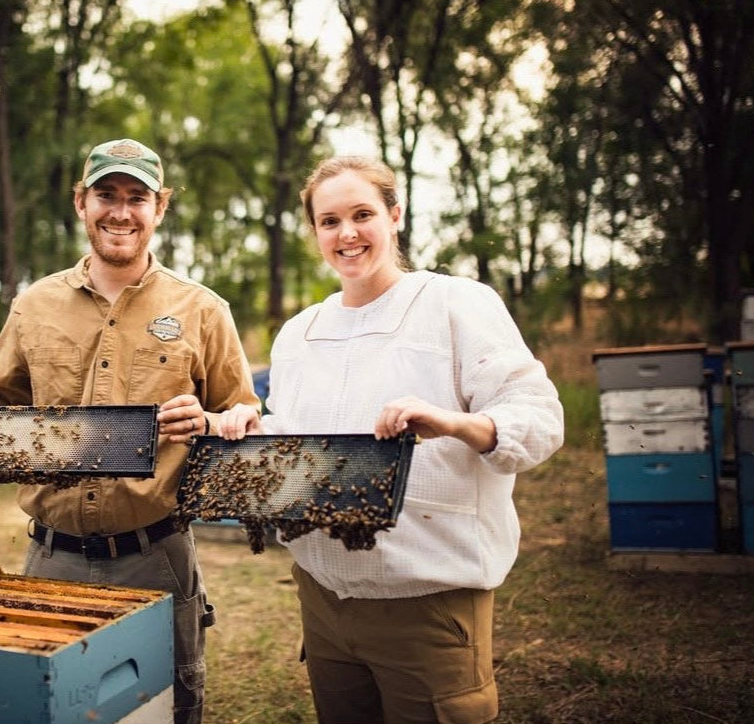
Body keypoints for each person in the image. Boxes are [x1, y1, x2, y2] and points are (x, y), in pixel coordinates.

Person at [0, 137, 260, 724]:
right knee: (52, 710)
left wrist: (213, 421)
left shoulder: (203, 309)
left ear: (160, 208)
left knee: (168, 706)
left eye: (137, 198)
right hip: (53, 556)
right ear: (81, 202)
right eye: (106, 195)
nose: (121, 211)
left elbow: (242, 416)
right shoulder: (34, 304)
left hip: (157, 553)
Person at [217, 155, 564, 724]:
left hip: (427, 606)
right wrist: (248, 430)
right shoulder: (300, 332)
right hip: (322, 600)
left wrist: (452, 422)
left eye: (362, 214)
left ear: (395, 215)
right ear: (314, 232)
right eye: (329, 221)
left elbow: (540, 419)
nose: (347, 233)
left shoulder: (456, 304)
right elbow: (294, 442)